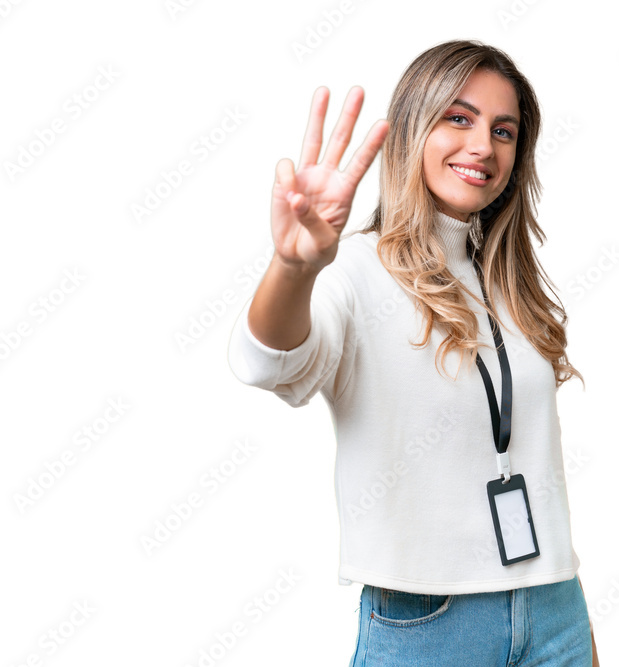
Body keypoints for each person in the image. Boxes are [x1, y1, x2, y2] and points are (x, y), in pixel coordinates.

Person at [226, 39, 599, 666]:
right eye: (459, 118)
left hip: (553, 606)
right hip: (429, 621)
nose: (483, 145)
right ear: (411, 130)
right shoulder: (354, 271)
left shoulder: (509, 282)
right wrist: (292, 268)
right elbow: (268, 361)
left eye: (503, 130)